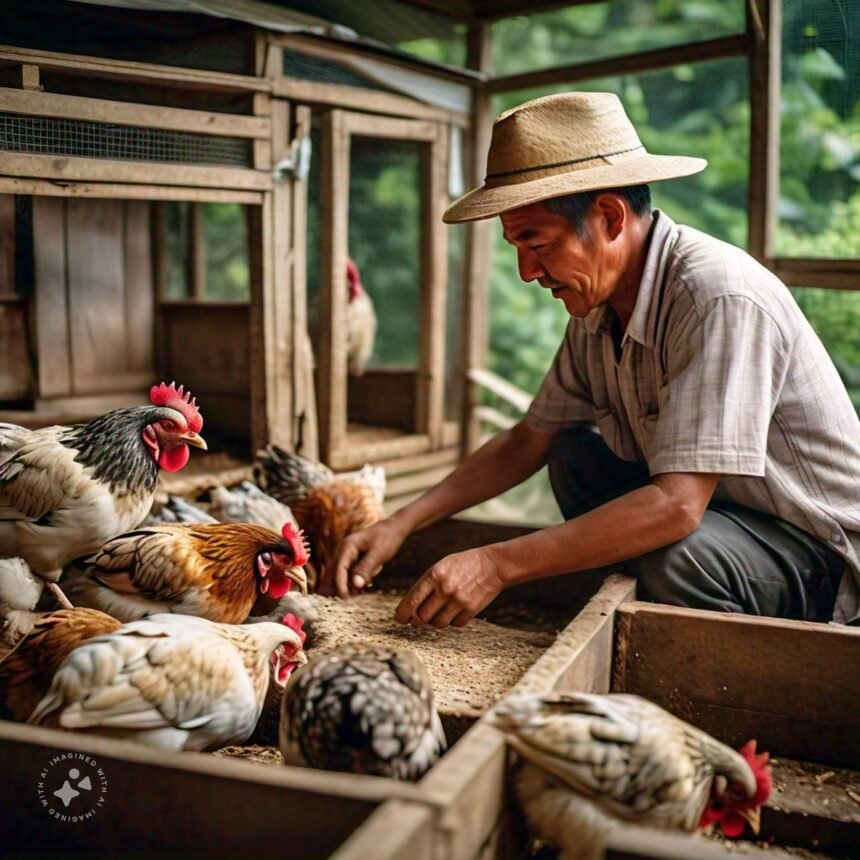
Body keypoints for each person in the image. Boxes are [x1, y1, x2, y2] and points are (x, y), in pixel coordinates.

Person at [320, 92, 860, 629]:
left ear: (608, 216)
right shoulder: (596, 304)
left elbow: (677, 507)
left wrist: (495, 564)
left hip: (815, 552)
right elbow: (529, 437)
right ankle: (635, 582)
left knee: (671, 552)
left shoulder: (716, 296)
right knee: (572, 454)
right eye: (516, 248)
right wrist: (401, 523)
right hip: (723, 520)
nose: (527, 272)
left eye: (538, 244)